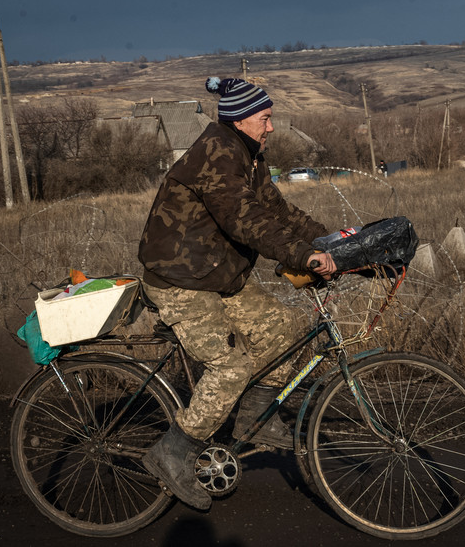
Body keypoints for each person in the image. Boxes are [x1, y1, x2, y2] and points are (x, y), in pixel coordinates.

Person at [137, 77, 336, 510]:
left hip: (214, 275)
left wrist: (330, 242)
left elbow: (277, 211)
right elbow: (244, 220)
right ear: (241, 119)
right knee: (231, 365)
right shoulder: (217, 155)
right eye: (265, 119)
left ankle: (253, 416)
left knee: (285, 327)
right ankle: (173, 452)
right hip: (180, 280)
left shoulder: (248, 154)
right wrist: (303, 256)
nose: (270, 128)